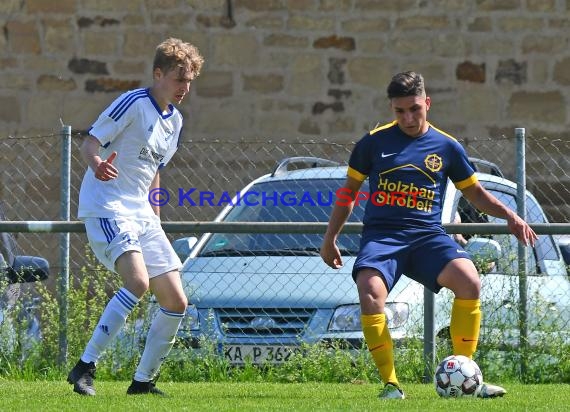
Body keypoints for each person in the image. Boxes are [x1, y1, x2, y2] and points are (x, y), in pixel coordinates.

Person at [320, 71, 537, 400]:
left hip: (426, 236)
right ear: (391, 109)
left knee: (469, 281)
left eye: (415, 109)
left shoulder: (447, 146)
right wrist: (329, 238)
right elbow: (348, 193)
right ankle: (391, 385)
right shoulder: (372, 143)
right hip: (383, 237)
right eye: (400, 111)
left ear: (428, 104)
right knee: (369, 291)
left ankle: (469, 378)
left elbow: (475, 193)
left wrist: (510, 215)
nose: (408, 117)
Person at [67, 38, 204, 396]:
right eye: (178, 79)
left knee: (176, 301)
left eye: (189, 81)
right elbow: (89, 144)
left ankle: (142, 383)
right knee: (138, 283)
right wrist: (97, 165)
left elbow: (154, 171)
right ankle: (85, 367)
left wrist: (155, 215)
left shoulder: (174, 121)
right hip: (108, 206)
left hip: (141, 214)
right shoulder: (133, 103)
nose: (184, 87)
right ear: (158, 74)